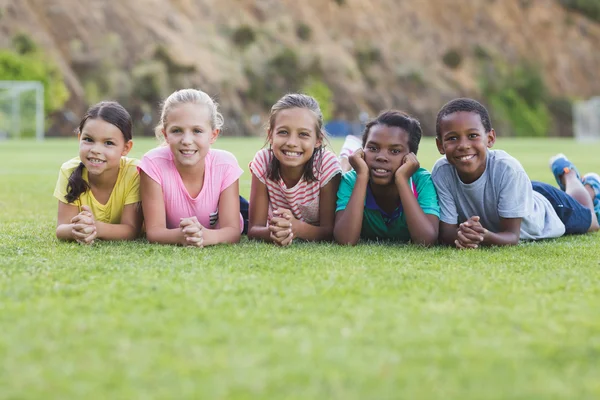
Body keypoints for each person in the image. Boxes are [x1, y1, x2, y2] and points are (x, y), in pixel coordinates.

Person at [432, 98, 599, 249]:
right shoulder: (441, 172)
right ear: (440, 145)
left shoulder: (507, 168)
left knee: (592, 220)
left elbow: (512, 236)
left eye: (473, 135)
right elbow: (447, 233)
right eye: (452, 138)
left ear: (490, 138)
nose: (463, 145)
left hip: (550, 206)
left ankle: (571, 174)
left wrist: (484, 236)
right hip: (516, 193)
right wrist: (464, 235)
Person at [139, 88, 244, 247]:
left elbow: (232, 231)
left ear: (213, 135)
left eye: (197, 131)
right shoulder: (153, 164)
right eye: (177, 130)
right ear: (166, 135)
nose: (187, 140)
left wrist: (206, 236)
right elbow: (154, 232)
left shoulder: (226, 165)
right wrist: (182, 235)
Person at [334, 110, 440, 246]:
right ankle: (345, 155)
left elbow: (426, 240)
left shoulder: (421, 181)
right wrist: (362, 176)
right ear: (362, 150)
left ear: (411, 157)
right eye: (372, 148)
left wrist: (402, 180)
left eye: (394, 151)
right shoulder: (352, 180)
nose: (381, 157)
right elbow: (345, 240)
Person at [248, 93, 342, 246]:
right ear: (270, 135)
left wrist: (297, 229)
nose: (292, 142)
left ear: (318, 140)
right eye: (283, 132)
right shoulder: (263, 161)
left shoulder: (326, 165)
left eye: (303, 134)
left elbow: (331, 231)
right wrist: (275, 232)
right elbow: (253, 229)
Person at [54, 101, 142, 244]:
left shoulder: (134, 172)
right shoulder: (69, 170)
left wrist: (95, 228)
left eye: (108, 143)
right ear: (79, 138)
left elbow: (131, 230)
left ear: (126, 148)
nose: (95, 150)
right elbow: (61, 228)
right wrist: (78, 229)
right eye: (88, 140)